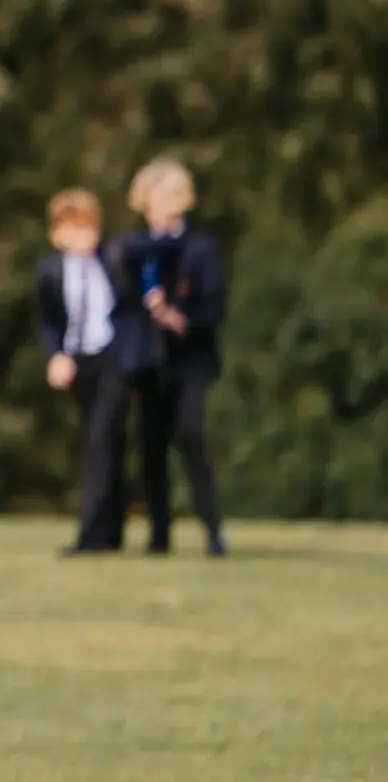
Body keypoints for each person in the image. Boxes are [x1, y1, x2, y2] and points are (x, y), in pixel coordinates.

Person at [112, 158, 228, 557]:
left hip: (188, 361)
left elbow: (213, 306)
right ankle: (159, 534)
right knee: (150, 445)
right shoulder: (135, 250)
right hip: (147, 362)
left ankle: (212, 530)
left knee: (191, 435)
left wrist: (183, 320)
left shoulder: (202, 248)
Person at [38, 188, 142, 555]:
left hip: (112, 360)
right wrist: (56, 356)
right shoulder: (51, 272)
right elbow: (49, 322)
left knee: (101, 440)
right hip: (79, 364)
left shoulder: (113, 262)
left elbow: (132, 311)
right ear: (57, 234)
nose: (86, 237)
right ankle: (112, 530)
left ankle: (91, 537)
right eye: (76, 229)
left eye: (90, 228)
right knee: (106, 444)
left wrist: (131, 360)